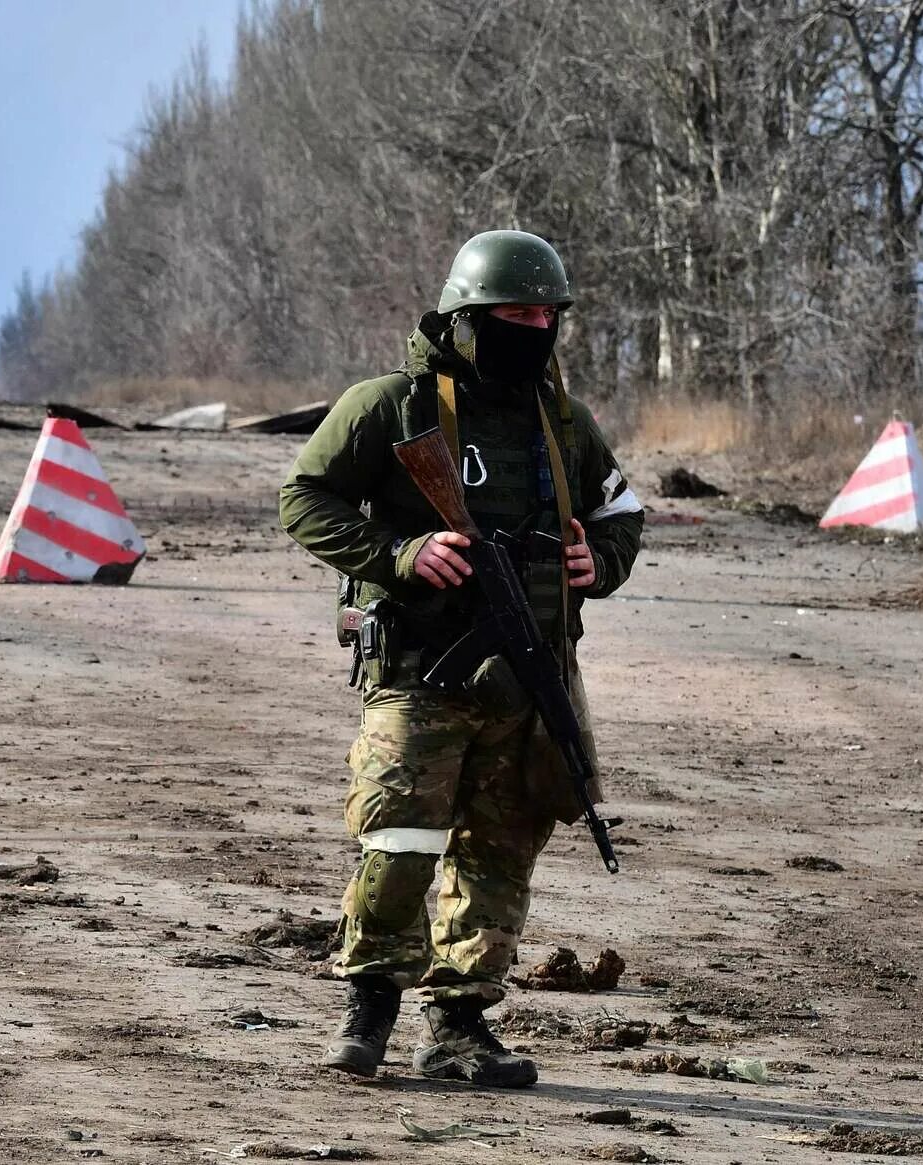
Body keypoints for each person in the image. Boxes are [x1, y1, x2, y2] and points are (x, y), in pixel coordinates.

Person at [277, 230, 643, 1088]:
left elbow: (622, 514)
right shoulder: (390, 406)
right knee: (399, 840)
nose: (535, 327)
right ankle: (368, 1009)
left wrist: (604, 562)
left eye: (547, 315)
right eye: (516, 313)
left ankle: (461, 1025)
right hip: (420, 667)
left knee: (501, 850)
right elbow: (304, 498)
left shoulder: (564, 424)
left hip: (530, 673)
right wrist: (401, 556)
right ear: (468, 319)